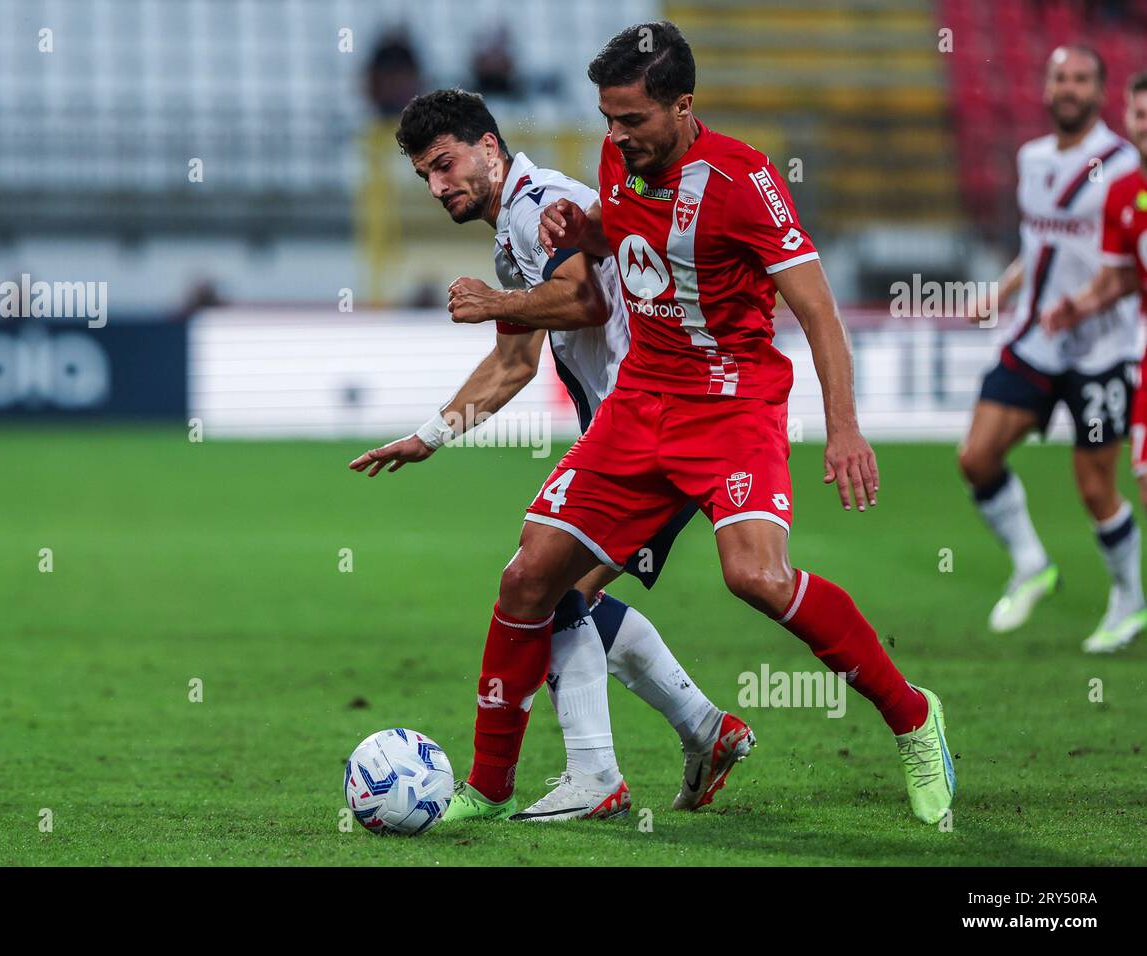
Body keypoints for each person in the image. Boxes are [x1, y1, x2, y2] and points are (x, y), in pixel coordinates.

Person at [447, 21, 953, 826]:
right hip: (641, 400)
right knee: (527, 577)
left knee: (756, 577)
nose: (615, 136)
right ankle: (488, 786)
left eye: (633, 120)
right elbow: (624, 229)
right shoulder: (621, 157)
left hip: (732, 405)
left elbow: (820, 313)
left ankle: (912, 717)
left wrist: (845, 427)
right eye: (607, 119)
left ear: (684, 107)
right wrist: (587, 232)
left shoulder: (744, 180)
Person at [351, 89, 752, 821]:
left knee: (535, 585)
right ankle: (704, 731)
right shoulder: (514, 231)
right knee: (560, 593)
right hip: (634, 433)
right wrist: (429, 437)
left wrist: (496, 302)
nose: (439, 187)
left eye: (445, 165)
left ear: (490, 149)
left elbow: (583, 302)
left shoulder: (543, 207)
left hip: (657, 433)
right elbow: (513, 366)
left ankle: (595, 777)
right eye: (424, 177)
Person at [959, 45, 1143, 650]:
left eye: (1081, 79)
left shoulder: (1123, 165)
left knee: (1095, 487)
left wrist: (1086, 305)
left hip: (1102, 349)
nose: (1069, 88)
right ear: (1045, 86)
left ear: (1100, 91)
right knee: (977, 457)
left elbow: (1125, 264)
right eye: (1059, 77)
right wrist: (1002, 292)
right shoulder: (1031, 157)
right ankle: (1031, 562)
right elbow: (1038, 244)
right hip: (1037, 339)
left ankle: (1127, 599)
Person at [1042, 69, 1147, 652]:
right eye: (1140, 116)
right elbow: (1121, 278)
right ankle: (1133, 598)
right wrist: (1076, 307)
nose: (1145, 127)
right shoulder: (1125, 193)